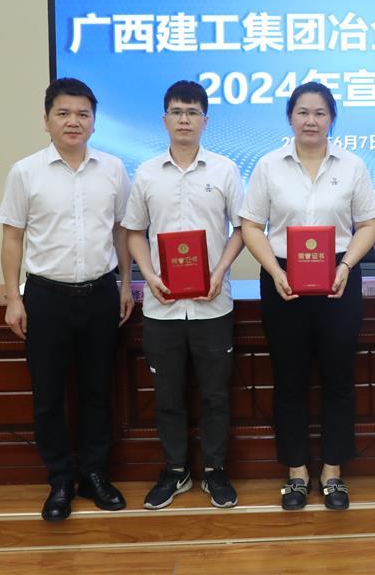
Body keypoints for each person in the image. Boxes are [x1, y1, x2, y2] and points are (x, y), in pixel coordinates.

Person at [0, 77, 133, 521]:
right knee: (49, 395)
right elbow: (12, 237)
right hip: (45, 298)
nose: (73, 121)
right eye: (64, 113)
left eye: (82, 114)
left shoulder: (113, 169)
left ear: (93, 122)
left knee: (98, 391)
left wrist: (125, 285)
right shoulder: (25, 171)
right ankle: (59, 479)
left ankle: (94, 474)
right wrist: (13, 298)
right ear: (46, 120)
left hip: (99, 294)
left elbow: (122, 231)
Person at [240, 82, 375, 510]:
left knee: (339, 378)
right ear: (290, 117)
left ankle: (333, 472)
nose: (311, 120)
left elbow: (368, 224)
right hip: (283, 278)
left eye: (320, 113)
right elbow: (252, 225)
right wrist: (274, 270)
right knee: (289, 379)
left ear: (332, 119)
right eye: (303, 112)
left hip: (339, 276)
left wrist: (346, 265)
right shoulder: (269, 165)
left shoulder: (352, 165)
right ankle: (297, 472)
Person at [123, 80, 245, 510]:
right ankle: (175, 471)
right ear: (164, 120)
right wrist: (149, 275)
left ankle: (214, 471)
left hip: (213, 304)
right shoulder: (146, 173)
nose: (184, 120)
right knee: (168, 397)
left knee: (215, 395)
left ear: (205, 121)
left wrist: (220, 270)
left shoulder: (224, 170)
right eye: (177, 112)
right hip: (163, 307)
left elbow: (242, 229)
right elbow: (134, 232)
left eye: (192, 112)